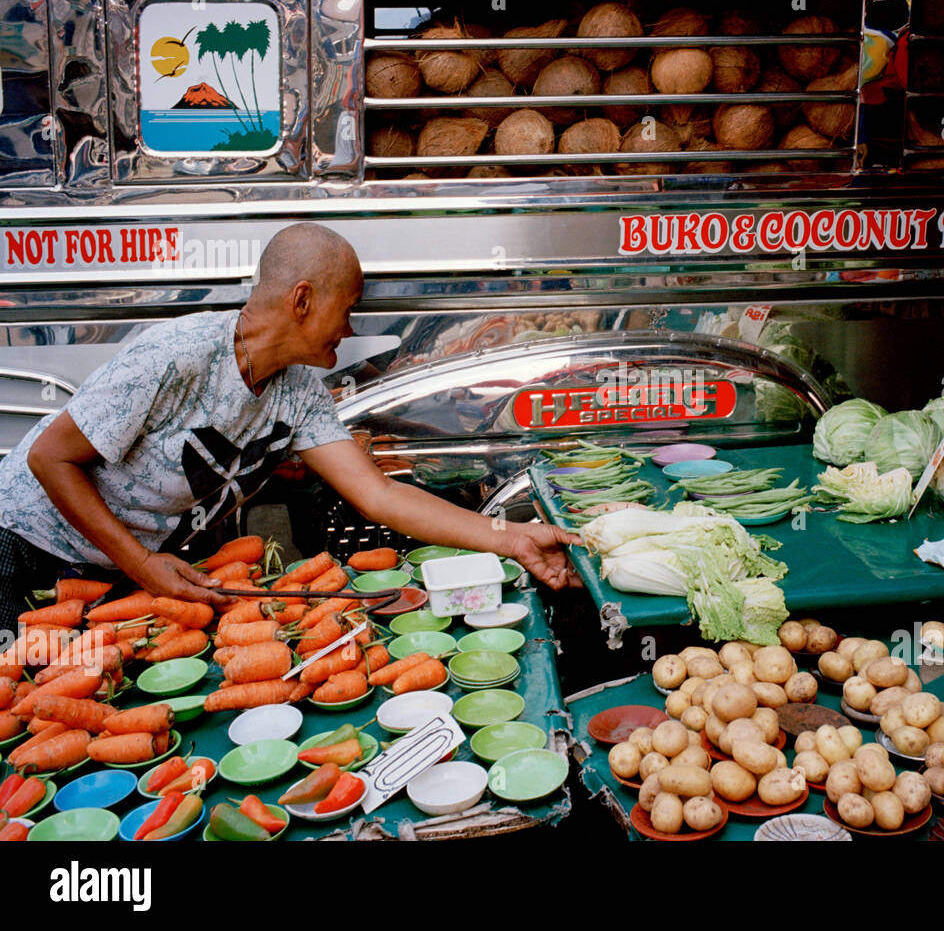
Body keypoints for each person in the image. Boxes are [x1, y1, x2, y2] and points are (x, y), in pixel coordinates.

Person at [0, 223, 582, 637]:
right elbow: (50, 459)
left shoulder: (296, 391)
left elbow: (378, 494)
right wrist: (142, 566)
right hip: (25, 550)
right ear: (302, 299)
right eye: (347, 307)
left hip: (121, 569)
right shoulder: (176, 356)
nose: (350, 328)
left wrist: (511, 538)